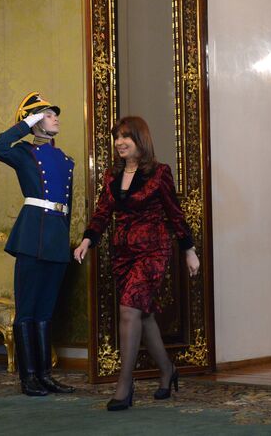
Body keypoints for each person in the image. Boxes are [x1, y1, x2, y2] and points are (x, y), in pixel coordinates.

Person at [73, 116, 200, 411]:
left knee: (129, 310)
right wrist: (87, 241)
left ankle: (124, 383)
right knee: (144, 315)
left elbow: (175, 214)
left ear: (140, 140)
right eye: (117, 137)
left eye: (125, 137)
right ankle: (167, 370)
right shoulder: (111, 176)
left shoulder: (159, 173)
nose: (119, 142)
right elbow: (103, 213)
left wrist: (188, 250)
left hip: (152, 252)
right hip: (123, 254)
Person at [0, 92, 76, 397]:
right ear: (35, 121)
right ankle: (28, 378)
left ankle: (45, 376)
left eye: (53, 114)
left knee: (45, 311)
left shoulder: (66, 161)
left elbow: (67, 205)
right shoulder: (23, 152)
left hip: (55, 240)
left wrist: (65, 243)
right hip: (31, 237)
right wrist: (25, 124)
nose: (56, 118)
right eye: (49, 115)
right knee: (27, 310)